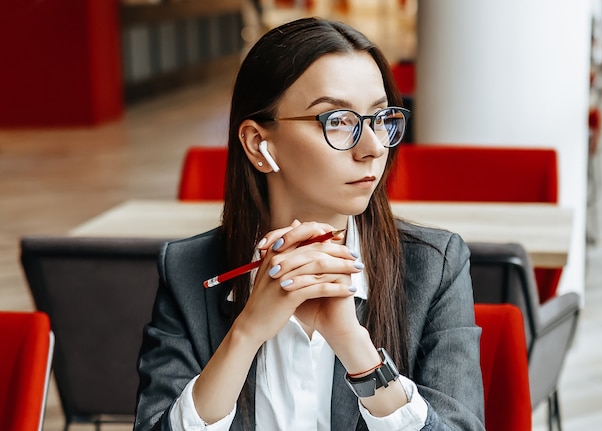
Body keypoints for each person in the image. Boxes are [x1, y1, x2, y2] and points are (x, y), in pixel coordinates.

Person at [133, 17, 485, 431]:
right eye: (337, 120)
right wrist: (245, 334)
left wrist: (355, 346)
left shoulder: (433, 266)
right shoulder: (190, 269)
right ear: (257, 144)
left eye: (380, 118)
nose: (373, 148)